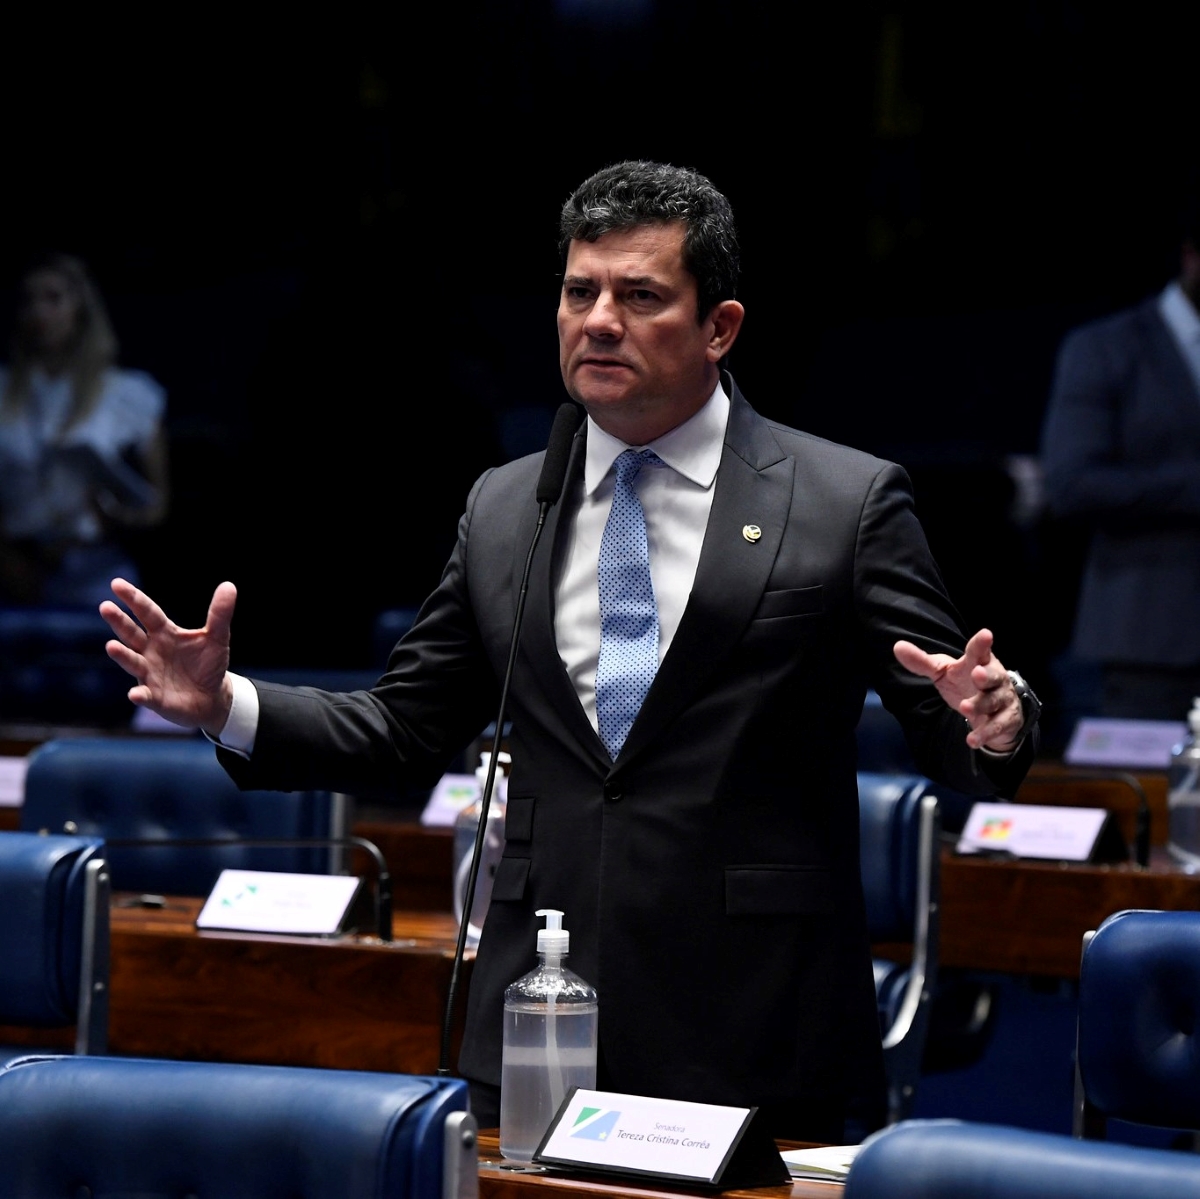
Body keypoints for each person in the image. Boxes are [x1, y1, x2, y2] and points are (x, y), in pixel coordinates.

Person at [100, 161, 1039, 1142]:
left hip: (756, 1022)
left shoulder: (843, 500)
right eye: (579, 290)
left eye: (639, 296)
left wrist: (998, 718)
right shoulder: (508, 502)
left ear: (720, 326)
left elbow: (958, 721)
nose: (598, 320)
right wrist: (225, 705)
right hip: (539, 1016)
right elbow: (402, 726)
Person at [1039, 197, 1200, 721]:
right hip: (1151, 640)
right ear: (1192, 255)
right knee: (1152, 798)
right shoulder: (1105, 348)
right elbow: (1071, 483)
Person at [0, 253, 168, 607]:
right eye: (28, 300)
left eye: (53, 298)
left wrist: (122, 518)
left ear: (81, 309)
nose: (39, 312)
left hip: (97, 570)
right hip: (15, 569)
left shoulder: (126, 393)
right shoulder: (5, 392)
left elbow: (157, 504)